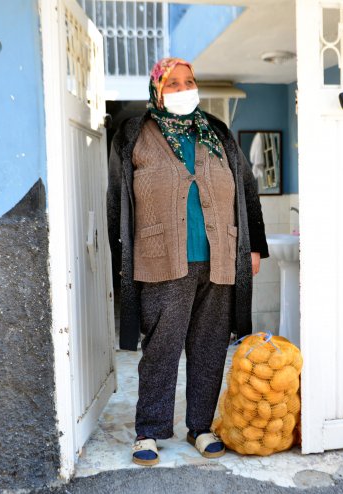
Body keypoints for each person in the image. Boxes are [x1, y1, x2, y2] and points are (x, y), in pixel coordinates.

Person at [106, 57, 269, 466]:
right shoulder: (133, 134)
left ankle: (201, 426)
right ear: (157, 90)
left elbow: (246, 191)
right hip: (160, 260)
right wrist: (119, 258)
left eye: (189, 81)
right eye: (173, 83)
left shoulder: (217, 132)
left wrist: (254, 247)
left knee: (210, 348)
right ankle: (150, 431)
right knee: (161, 348)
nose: (183, 89)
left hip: (219, 258)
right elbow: (117, 202)